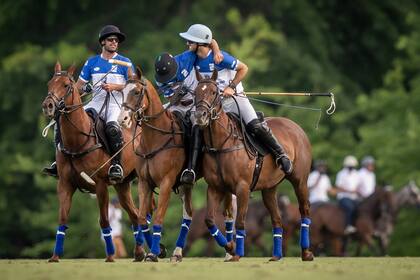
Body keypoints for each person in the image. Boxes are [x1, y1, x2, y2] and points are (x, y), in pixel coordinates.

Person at [180, 23, 292, 174]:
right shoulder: (193, 57)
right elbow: (211, 41)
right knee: (197, 128)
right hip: (213, 104)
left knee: (254, 125)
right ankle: (191, 169)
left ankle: (281, 155)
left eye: (190, 41)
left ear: (200, 44)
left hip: (234, 99)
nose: (187, 44)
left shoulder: (221, 58)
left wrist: (231, 87)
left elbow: (244, 68)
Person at [43, 25, 134, 182]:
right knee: (63, 120)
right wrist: (86, 87)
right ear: (103, 42)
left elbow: (134, 86)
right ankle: (58, 161)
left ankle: (116, 165)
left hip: (115, 104)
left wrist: (115, 87)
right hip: (95, 102)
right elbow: (78, 88)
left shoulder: (125, 62)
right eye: (111, 40)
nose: (114, 42)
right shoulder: (92, 62)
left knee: (112, 126)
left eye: (116, 40)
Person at [154, 36, 223, 185]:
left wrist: (216, 52)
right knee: (161, 122)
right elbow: (171, 100)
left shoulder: (187, 57)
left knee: (196, 127)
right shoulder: (160, 78)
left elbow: (209, 40)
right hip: (177, 105)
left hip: (196, 103)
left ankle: (190, 169)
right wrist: (179, 92)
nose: (168, 78)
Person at [335, 155, 360, 234]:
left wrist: (356, 190)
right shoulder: (341, 174)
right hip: (343, 197)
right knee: (350, 207)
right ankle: (348, 226)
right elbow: (338, 186)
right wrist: (349, 191)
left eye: (352, 166)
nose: (351, 167)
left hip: (354, 197)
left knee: (362, 208)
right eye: (350, 166)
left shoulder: (356, 174)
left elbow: (358, 186)